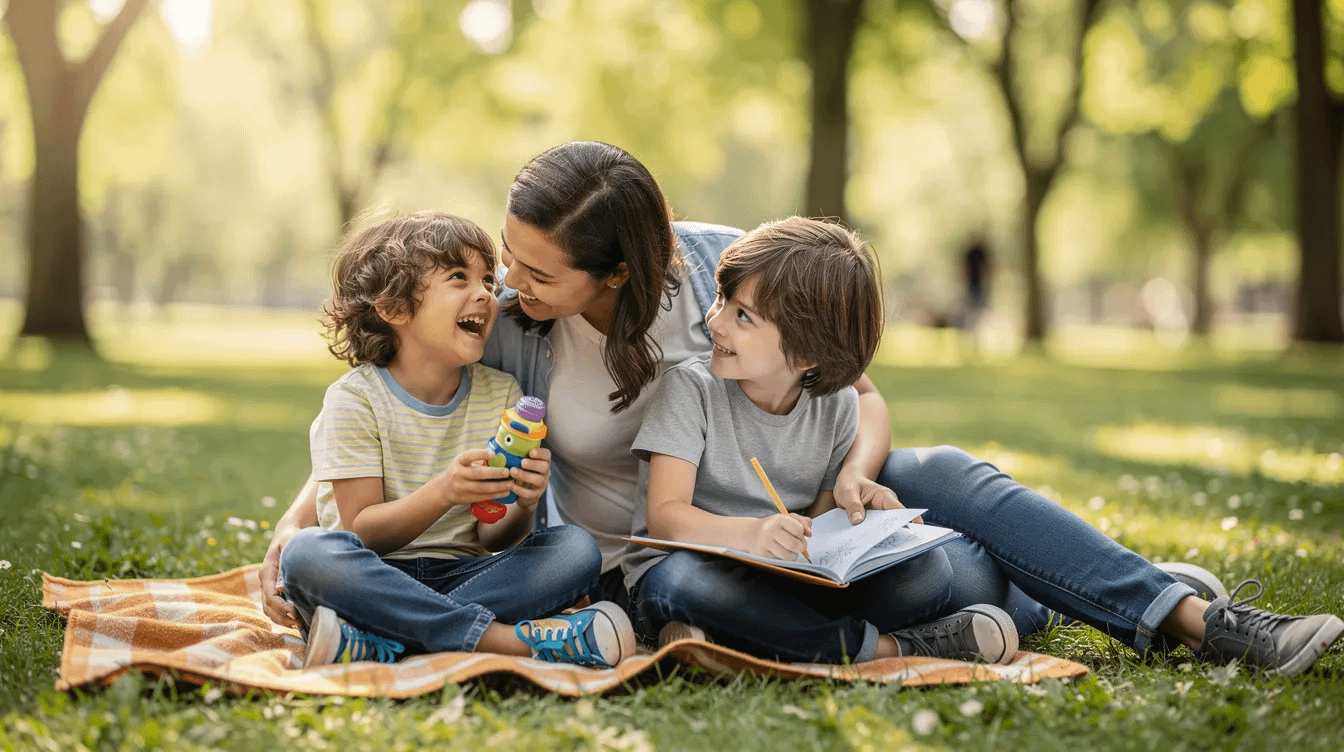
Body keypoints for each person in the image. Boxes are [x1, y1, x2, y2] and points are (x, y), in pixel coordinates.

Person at [262, 141, 1341, 676]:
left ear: (616, 268)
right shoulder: (511, 322)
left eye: (537, 267)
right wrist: (296, 525)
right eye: (509, 259)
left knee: (943, 469)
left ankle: (1194, 617)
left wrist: (847, 477)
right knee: (967, 576)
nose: (509, 281)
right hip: (678, 550)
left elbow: (857, 391)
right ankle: (1003, 608)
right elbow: (380, 404)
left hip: (816, 519)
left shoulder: (728, 271)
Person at [624, 216, 1018, 664]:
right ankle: (887, 649)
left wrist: (863, 527)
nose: (715, 321)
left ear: (807, 353)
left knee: (927, 575)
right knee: (686, 586)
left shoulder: (836, 407)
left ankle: (732, 638)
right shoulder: (690, 390)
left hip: (783, 586)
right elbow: (665, 519)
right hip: (684, 569)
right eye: (720, 298)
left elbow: (820, 525)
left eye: (742, 316)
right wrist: (752, 534)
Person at [280, 211, 635, 669]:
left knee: (574, 550)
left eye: (488, 279)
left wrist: (522, 504)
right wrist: (443, 492)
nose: (487, 294)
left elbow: (492, 539)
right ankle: (506, 642)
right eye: (458, 277)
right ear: (394, 308)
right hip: (374, 576)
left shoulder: (501, 394)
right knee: (310, 554)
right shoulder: (354, 400)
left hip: (465, 577)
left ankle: (377, 639)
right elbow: (361, 533)